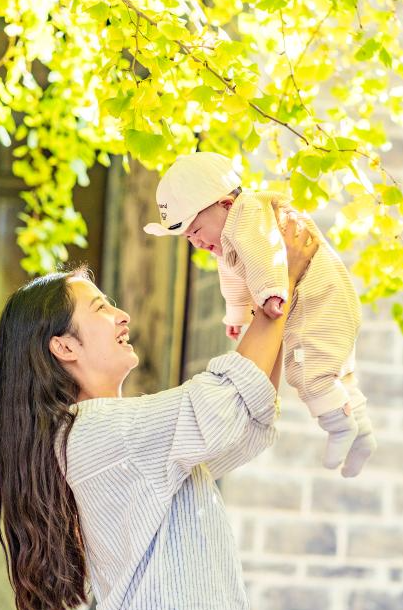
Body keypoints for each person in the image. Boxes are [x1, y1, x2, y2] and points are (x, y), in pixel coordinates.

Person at [0, 212, 317, 610]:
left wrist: (276, 297)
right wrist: (280, 281)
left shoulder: (104, 437)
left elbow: (244, 418)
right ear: (65, 347)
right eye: (101, 308)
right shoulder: (96, 433)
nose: (122, 314)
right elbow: (224, 404)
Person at [143, 151, 376, 478]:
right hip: (327, 300)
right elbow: (233, 278)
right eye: (188, 237)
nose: (196, 242)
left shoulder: (250, 215)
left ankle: (339, 427)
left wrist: (271, 293)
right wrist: (237, 314)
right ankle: (361, 433)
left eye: (196, 230)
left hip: (317, 300)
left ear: (226, 204)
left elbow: (267, 254)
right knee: (338, 373)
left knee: (306, 371)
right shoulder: (232, 234)